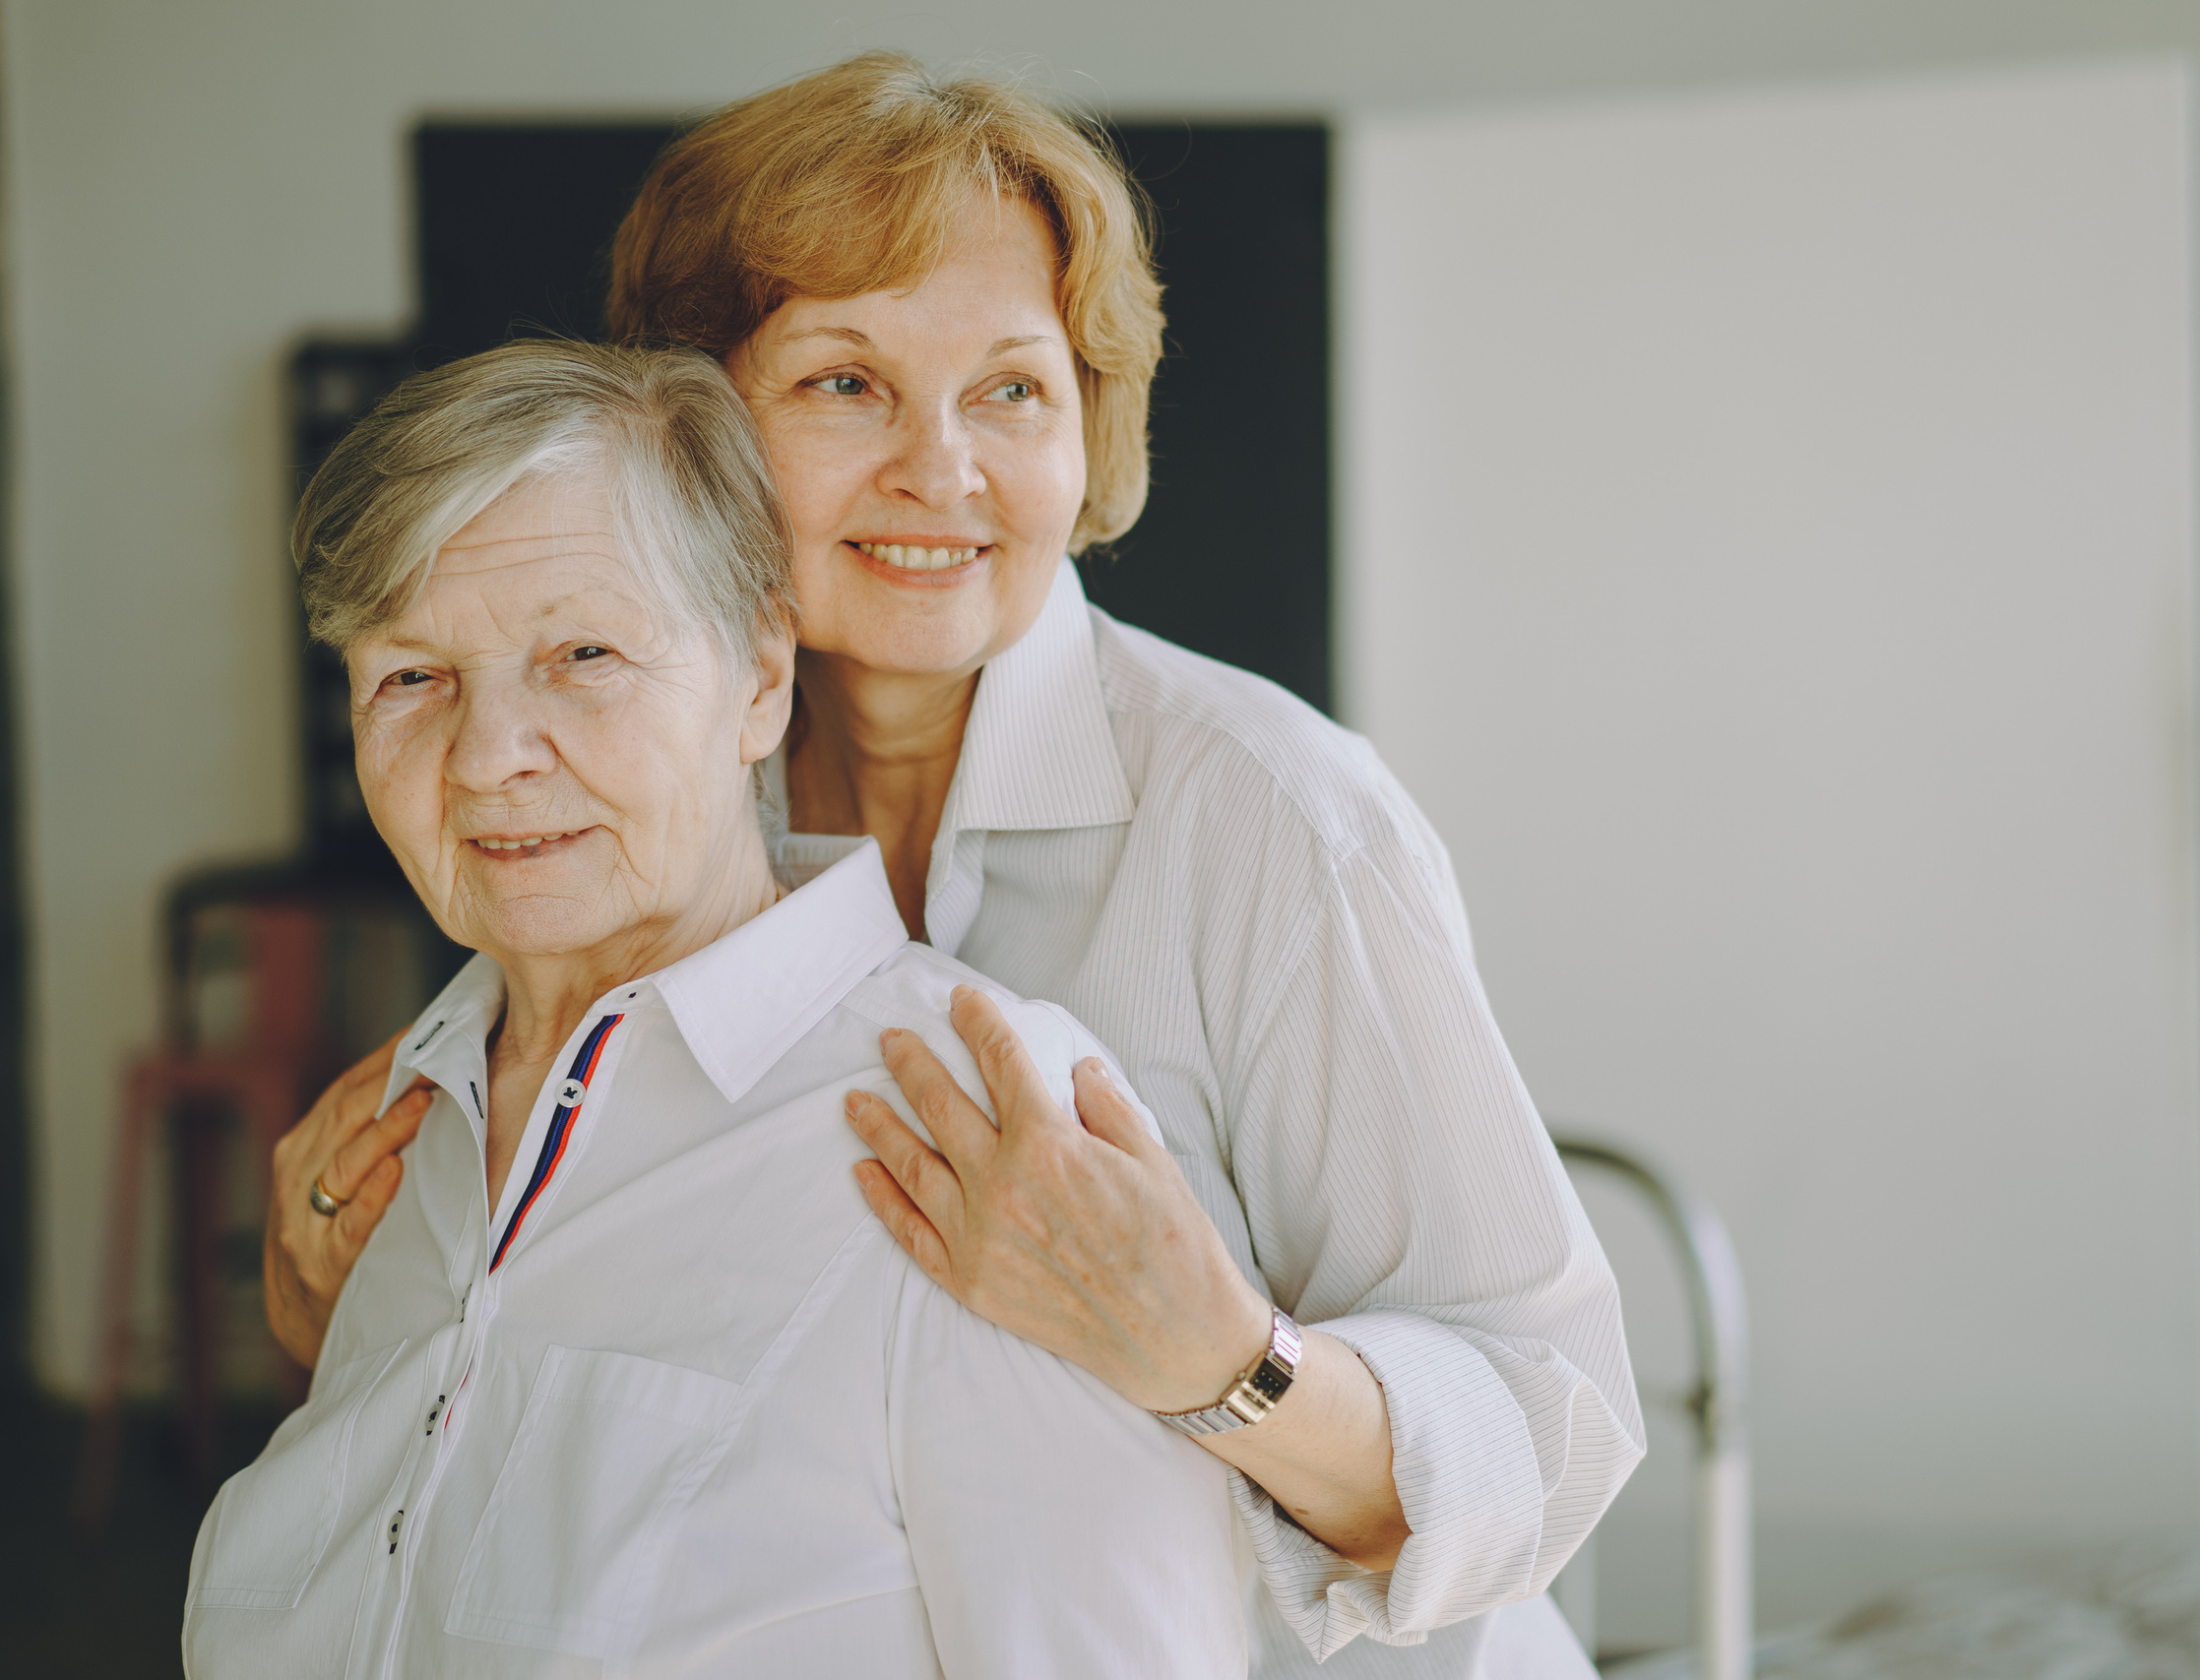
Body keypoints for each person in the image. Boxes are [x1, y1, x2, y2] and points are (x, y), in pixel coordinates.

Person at [266, 53, 1643, 1677]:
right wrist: (355, 1296)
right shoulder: (630, 783)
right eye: (845, 383)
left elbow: (1553, 1427)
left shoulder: (1273, 819)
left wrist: (1224, 1358)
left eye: (1012, 390)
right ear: (694, 440)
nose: (943, 468)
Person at [188, 340, 1243, 1679]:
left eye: (583, 654)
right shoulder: (401, 1132)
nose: (487, 758)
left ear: (759, 675)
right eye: (413, 677)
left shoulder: (975, 1122)